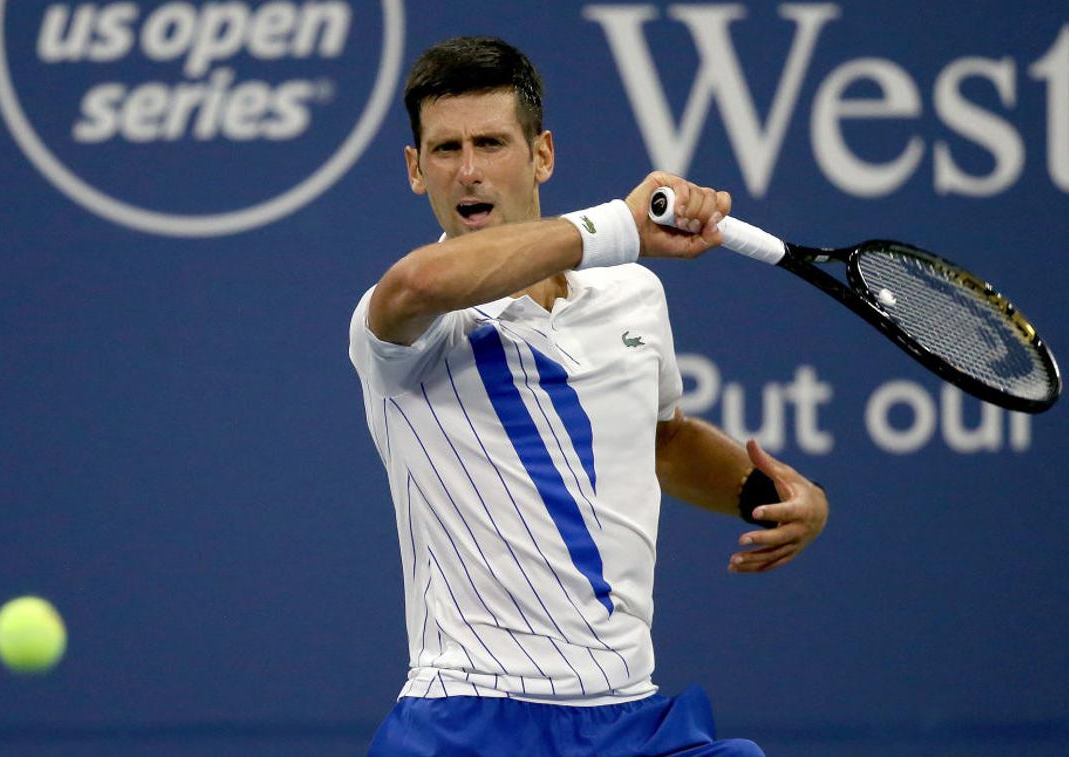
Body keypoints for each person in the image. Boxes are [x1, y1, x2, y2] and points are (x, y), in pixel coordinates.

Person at [348, 36, 828, 756]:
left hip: (629, 715)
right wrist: (616, 228)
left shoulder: (634, 295)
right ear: (416, 170)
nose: (470, 171)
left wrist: (770, 493)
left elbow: (662, 438)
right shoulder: (406, 324)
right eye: (445, 150)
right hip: (466, 719)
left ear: (542, 154)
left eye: (491, 142)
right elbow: (417, 283)